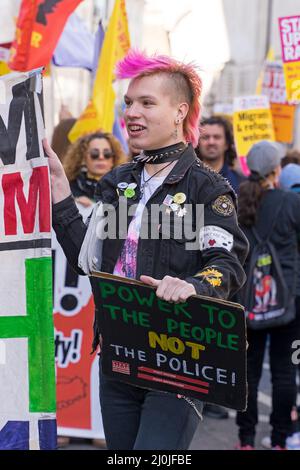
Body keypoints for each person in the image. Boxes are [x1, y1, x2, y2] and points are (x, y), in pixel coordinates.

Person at [47, 49, 249, 450]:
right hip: (117, 355)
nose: (132, 112)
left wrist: (193, 285)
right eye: (128, 103)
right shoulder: (118, 182)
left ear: (180, 112)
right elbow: (88, 261)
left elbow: (226, 262)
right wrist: (59, 191)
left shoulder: (206, 188)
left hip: (178, 358)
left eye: (146, 103)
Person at [235, 141, 300, 450]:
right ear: (277, 170)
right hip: (290, 298)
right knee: (284, 372)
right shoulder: (291, 202)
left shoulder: (237, 201)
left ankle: (245, 440)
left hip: (247, 299)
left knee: (247, 370)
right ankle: (279, 440)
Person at [63, 131, 127, 207]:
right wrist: (74, 203)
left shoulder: (125, 186)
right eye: (94, 154)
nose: (101, 157)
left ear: (114, 159)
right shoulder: (68, 189)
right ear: (83, 158)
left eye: (107, 154)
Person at [197, 116, 246, 194]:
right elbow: (191, 206)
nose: (211, 142)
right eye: (206, 137)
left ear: (227, 143)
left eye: (217, 137)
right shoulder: (189, 182)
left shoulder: (241, 183)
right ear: (197, 143)